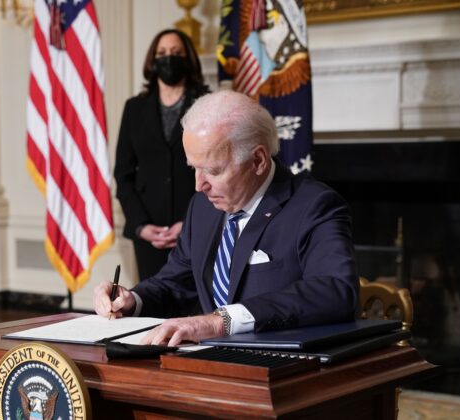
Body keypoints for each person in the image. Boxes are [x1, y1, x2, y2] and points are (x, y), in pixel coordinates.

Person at [95, 91, 358, 347]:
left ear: (257, 161)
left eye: (212, 170)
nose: (199, 185)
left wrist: (221, 322)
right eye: (193, 168)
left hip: (280, 373)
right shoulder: (203, 207)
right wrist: (132, 299)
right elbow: (174, 283)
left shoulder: (314, 206)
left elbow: (335, 290)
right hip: (209, 369)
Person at [114, 29, 209, 280]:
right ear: (152, 61)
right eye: (162, 53)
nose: (169, 58)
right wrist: (140, 226)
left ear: (188, 59)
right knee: (152, 307)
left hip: (196, 226)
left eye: (177, 53)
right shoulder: (134, 108)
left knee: (194, 310)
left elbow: (217, 169)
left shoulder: (207, 104)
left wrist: (188, 223)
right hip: (149, 233)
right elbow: (123, 176)